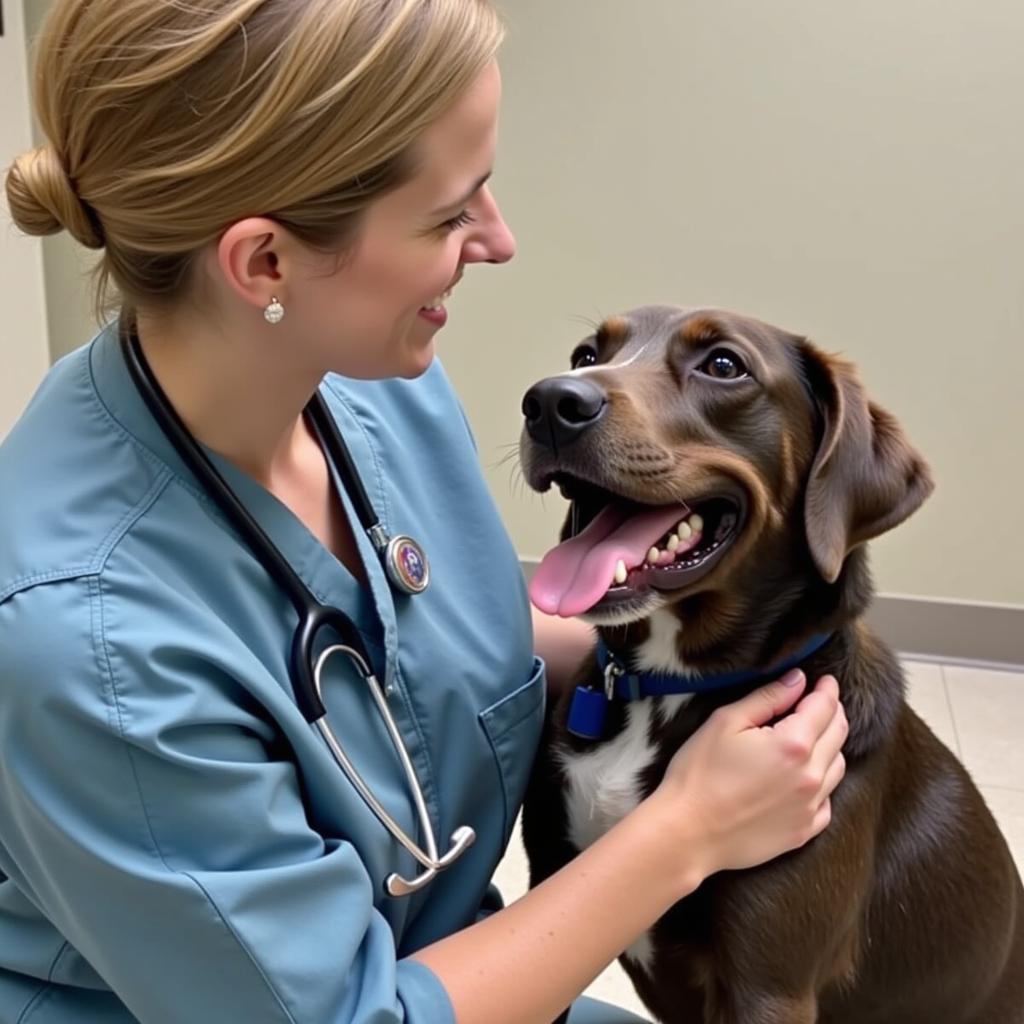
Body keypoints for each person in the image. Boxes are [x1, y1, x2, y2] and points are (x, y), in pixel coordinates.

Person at [0, 1, 848, 1022]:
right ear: (265, 263)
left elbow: (414, 648)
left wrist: (713, 657)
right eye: (451, 213)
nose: (497, 240)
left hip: (442, 962)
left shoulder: (365, 379)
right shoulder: (90, 643)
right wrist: (689, 829)